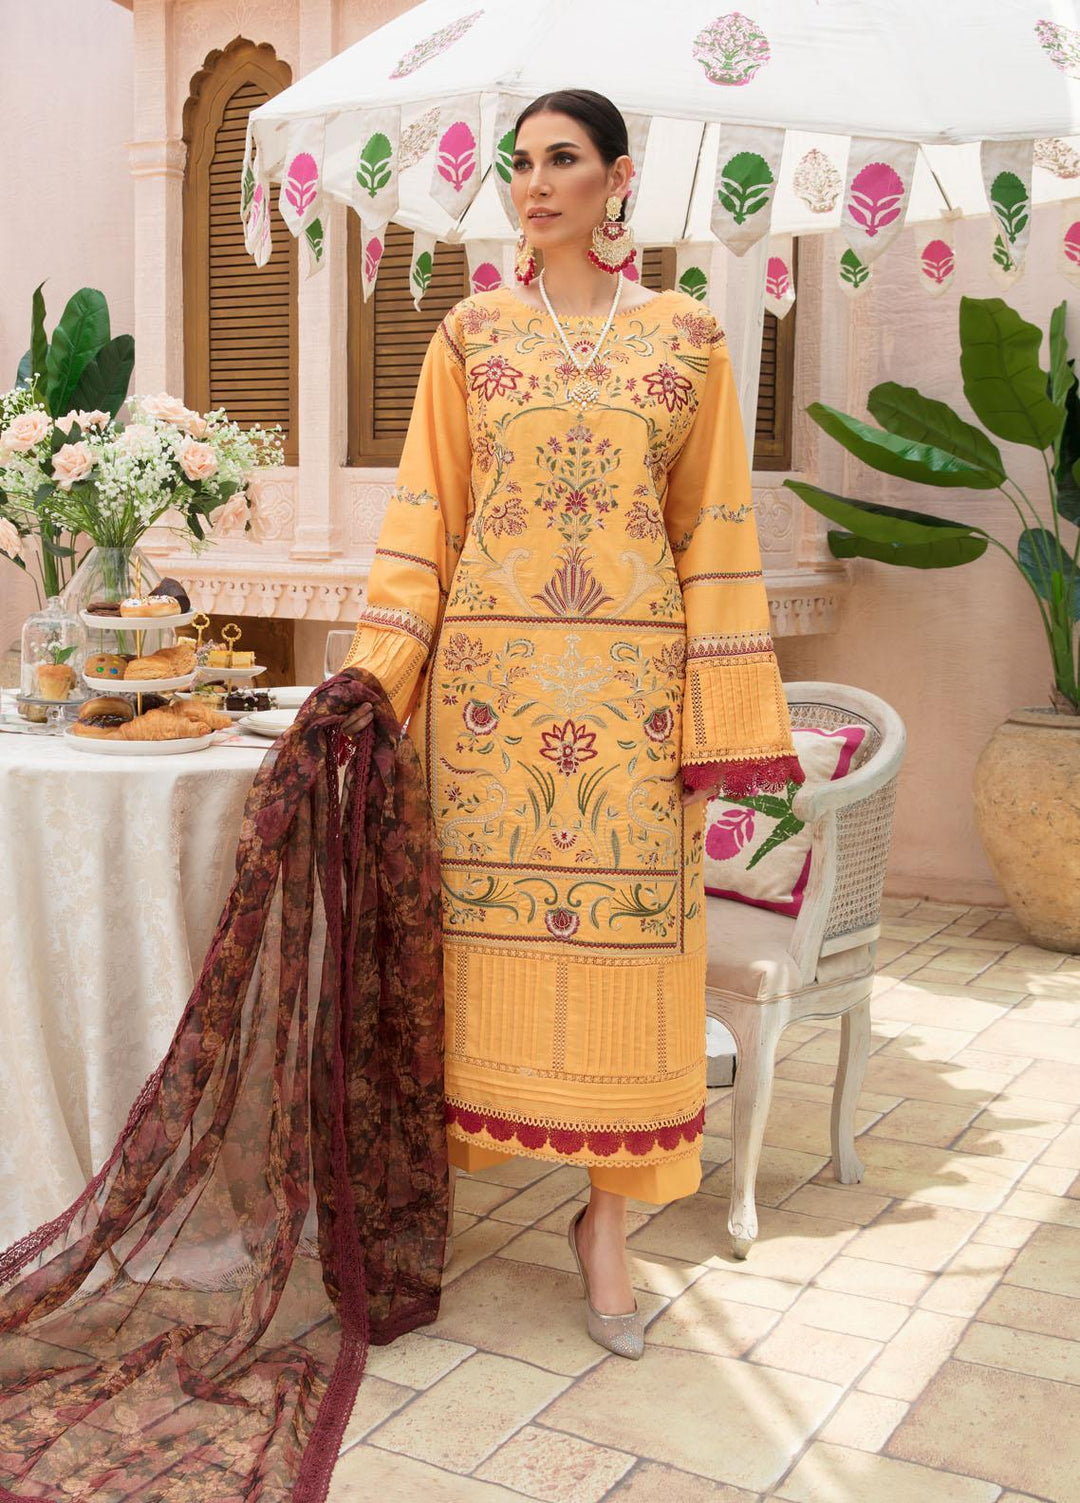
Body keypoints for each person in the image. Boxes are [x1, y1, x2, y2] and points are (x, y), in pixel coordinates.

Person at [342, 88, 802, 1359]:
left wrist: (715, 725)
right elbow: (425, 521)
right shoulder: (471, 335)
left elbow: (716, 538)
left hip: (632, 717)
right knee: (461, 963)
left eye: (562, 160)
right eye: (519, 163)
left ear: (618, 179)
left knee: (639, 966)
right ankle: (424, 1202)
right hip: (487, 719)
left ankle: (606, 1225)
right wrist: (376, 684)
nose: (534, 184)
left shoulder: (688, 339)